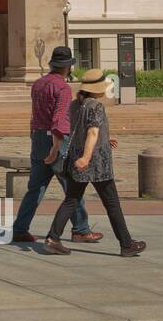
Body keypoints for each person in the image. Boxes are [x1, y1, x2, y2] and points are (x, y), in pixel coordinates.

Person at [44, 69, 147, 257]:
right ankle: (126, 244)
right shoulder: (96, 106)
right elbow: (91, 132)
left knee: (71, 200)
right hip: (97, 163)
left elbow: (82, 130)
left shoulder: (76, 104)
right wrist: (87, 157)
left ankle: (52, 238)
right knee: (112, 203)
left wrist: (105, 138)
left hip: (78, 159)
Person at [11, 46, 100, 245]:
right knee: (72, 187)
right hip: (56, 140)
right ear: (67, 66)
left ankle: (20, 228)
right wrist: (55, 148)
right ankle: (81, 230)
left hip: (38, 136)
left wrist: (36, 138)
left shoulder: (39, 84)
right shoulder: (62, 87)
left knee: (35, 188)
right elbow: (59, 120)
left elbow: (35, 115)